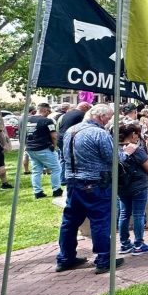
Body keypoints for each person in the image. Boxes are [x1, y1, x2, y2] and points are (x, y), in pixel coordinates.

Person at [57, 104, 121, 275]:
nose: (109, 121)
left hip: (73, 182)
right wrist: (126, 152)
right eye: (109, 118)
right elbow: (113, 158)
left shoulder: (70, 131)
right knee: (100, 221)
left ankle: (65, 258)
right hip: (95, 183)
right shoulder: (99, 133)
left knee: (70, 221)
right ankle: (103, 259)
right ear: (100, 117)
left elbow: (63, 156)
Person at [117, 123, 148, 256]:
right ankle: (139, 245)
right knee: (138, 215)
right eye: (137, 134)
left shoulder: (116, 148)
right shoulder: (135, 149)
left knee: (124, 214)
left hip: (122, 187)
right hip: (138, 186)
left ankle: (124, 244)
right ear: (133, 134)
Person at [24, 102, 64, 200]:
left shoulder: (27, 120)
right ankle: (56, 190)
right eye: (49, 111)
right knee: (56, 169)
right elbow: (54, 136)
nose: (49, 113)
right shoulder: (47, 121)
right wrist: (54, 146)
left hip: (30, 148)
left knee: (36, 171)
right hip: (44, 148)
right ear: (45, 110)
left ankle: (37, 192)